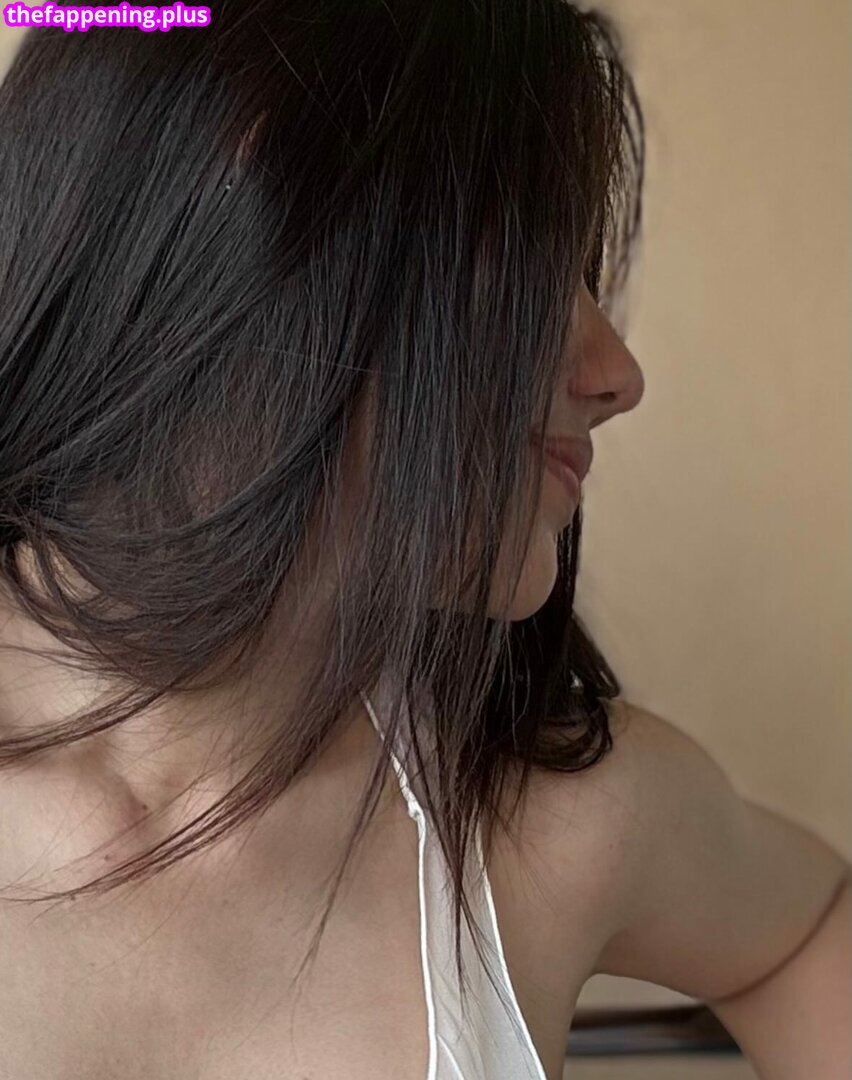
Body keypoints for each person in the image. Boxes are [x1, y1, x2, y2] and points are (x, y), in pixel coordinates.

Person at [0, 3, 848, 1078]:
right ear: (261, 201)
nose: (617, 375)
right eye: (537, 255)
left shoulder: (554, 818)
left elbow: (804, 935)